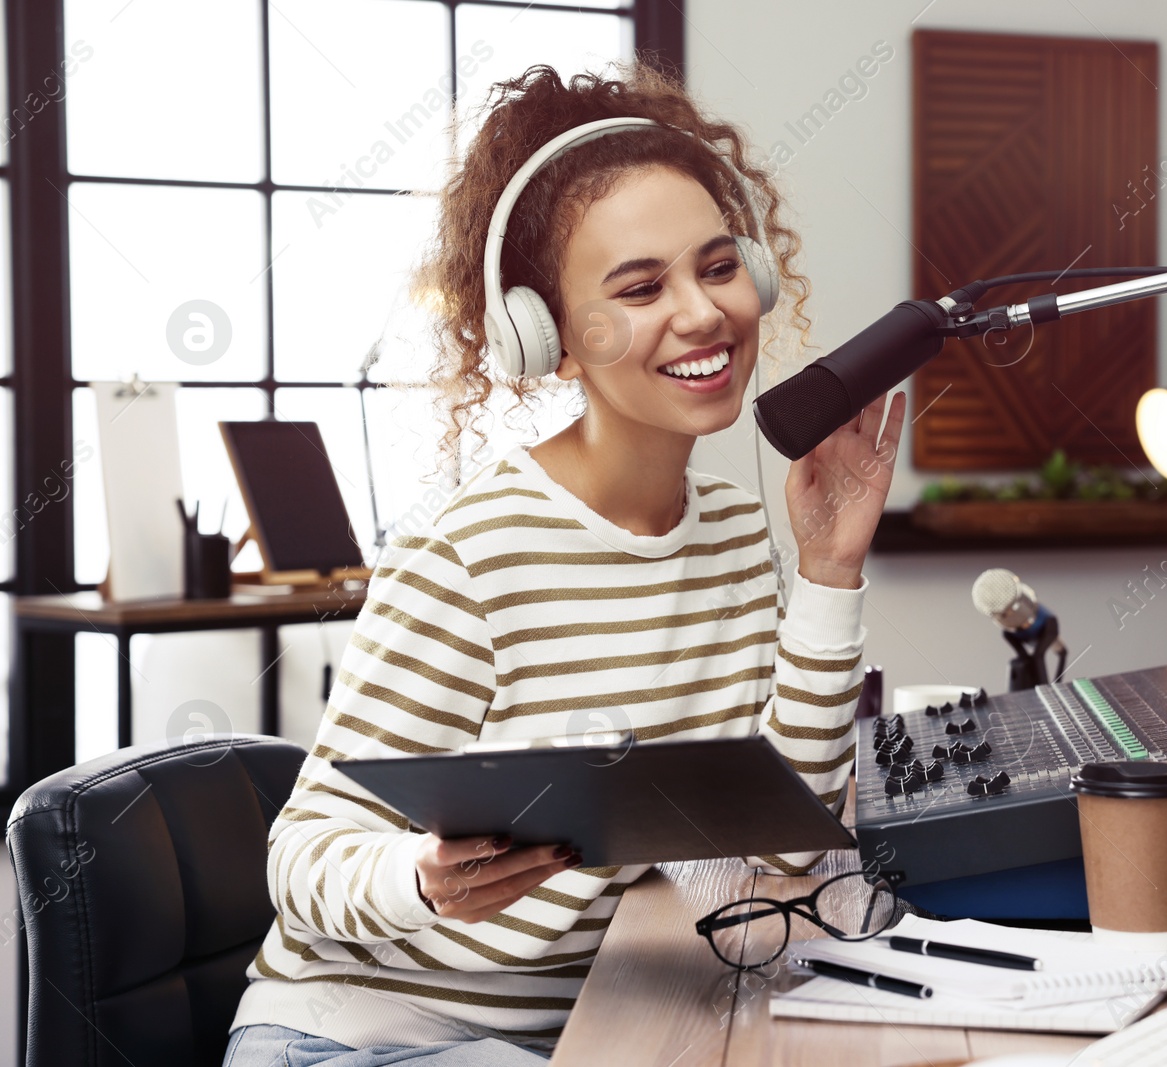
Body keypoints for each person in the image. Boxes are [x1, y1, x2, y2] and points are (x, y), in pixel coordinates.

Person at [223, 59, 905, 1066]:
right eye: (639, 288)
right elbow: (302, 856)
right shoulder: (467, 552)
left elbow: (784, 841)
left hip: (569, 1034)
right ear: (544, 337)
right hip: (359, 1037)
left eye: (718, 267)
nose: (704, 313)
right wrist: (419, 872)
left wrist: (828, 569)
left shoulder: (731, 529)